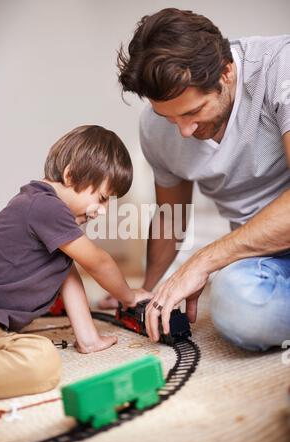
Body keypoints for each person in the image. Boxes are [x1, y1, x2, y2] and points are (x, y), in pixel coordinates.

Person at [113, 8, 290, 351]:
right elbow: (170, 217)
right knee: (237, 306)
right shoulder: (155, 126)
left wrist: (204, 260)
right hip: (266, 258)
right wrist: (145, 292)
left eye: (194, 112)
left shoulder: (280, 67)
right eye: (169, 118)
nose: (184, 130)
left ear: (226, 72)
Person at [0, 124, 151, 400]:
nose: (101, 211)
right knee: (41, 363)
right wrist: (128, 295)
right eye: (101, 198)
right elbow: (99, 262)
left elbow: (68, 275)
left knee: (35, 353)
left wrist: (88, 339)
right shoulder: (44, 207)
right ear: (70, 175)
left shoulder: (48, 218)